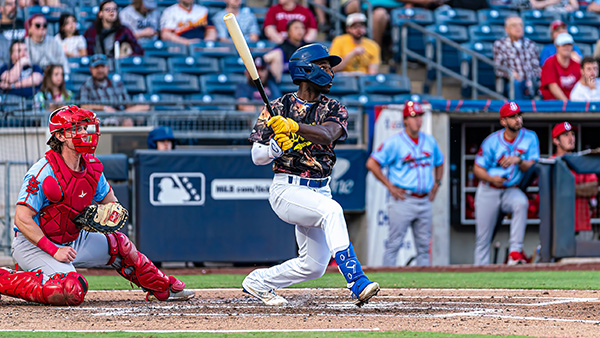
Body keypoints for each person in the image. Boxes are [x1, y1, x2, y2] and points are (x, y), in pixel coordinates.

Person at [0, 105, 194, 306]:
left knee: (120, 245)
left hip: (72, 239)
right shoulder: (42, 171)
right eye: (76, 128)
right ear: (60, 136)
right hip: (34, 244)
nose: (84, 133)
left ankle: (161, 287)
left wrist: (108, 214)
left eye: (85, 127)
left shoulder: (92, 167)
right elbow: (21, 218)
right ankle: (3, 278)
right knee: (70, 289)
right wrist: (54, 250)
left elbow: (112, 204)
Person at [244, 44, 379, 307]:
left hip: (319, 189)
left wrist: (293, 127)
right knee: (332, 211)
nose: (331, 72)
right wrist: (275, 146)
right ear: (307, 69)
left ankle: (259, 281)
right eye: (325, 67)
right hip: (287, 190)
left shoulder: (334, 107)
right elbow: (257, 156)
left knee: (313, 266)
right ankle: (356, 279)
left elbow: (328, 134)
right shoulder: (278, 106)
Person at [366, 101, 444, 267]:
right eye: (414, 116)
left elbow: (440, 161)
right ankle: (386, 286)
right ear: (406, 120)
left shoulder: (429, 141)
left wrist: (437, 183)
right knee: (394, 244)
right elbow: (372, 163)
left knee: (424, 247)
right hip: (403, 200)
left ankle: (424, 288)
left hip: (424, 200)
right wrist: (389, 186)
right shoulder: (394, 142)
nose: (418, 120)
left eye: (420, 116)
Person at [473, 102, 540, 265]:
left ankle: (514, 252)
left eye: (519, 115)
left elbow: (533, 165)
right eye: (512, 117)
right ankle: (479, 273)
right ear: (503, 121)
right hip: (489, 189)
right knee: (483, 238)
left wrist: (519, 160)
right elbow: (477, 168)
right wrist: (491, 179)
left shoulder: (530, 137)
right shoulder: (492, 141)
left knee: (521, 202)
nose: (518, 119)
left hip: (511, 188)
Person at [551, 122, 598, 240]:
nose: (571, 138)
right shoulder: (550, 162)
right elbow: (551, 190)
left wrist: (566, 190)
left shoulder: (582, 161)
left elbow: (593, 188)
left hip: (582, 224)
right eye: (566, 135)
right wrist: (580, 189)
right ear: (556, 141)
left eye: (572, 134)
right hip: (556, 225)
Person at [78, 54, 149, 115]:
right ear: (91, 69)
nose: (100, 70)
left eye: (102, 66)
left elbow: (127, 104)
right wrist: (104, 108)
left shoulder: (117, 83)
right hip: (101, 119)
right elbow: (84, 106)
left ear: (107, 68)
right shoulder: (86, 85)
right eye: (96, 67)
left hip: (120, 115)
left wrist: (126, 114)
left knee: (143, 108)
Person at [493, 16, 540, 100]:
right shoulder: (500, 44)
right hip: (512, 81)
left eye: (520, 25)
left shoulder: (530, 44)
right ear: (506, 29)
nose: (518, 28)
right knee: (515, 84)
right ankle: (518, 109)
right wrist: (510, 74)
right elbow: (498, 68)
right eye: (514, 25)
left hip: (530, 81)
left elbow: (536, 67)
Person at [540, 33, 581, 101]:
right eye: (563, 45)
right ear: (557, 46)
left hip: (573, 102)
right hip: (553, 104)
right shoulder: (549, 63)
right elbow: (553, 86)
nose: (567, 47)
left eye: (569, 44)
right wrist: (567, 103)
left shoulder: (577, 64)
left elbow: (583, 84)